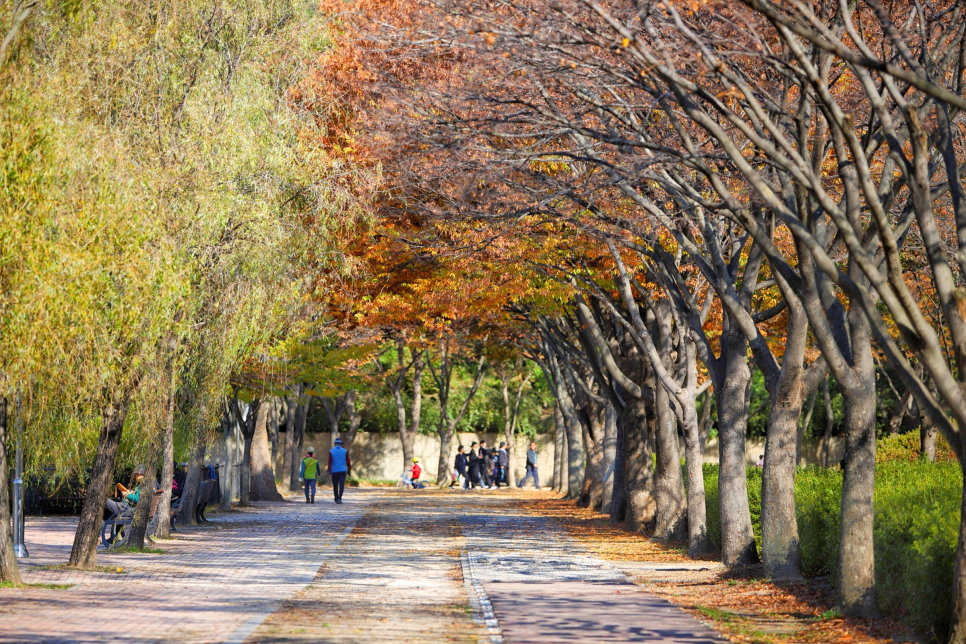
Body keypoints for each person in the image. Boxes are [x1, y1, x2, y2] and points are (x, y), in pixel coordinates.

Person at [328, 438, 351, 504]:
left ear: (335, 443)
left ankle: (336, 498)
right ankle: (339, 497)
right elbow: (348, 461)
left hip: (334, 470)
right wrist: (349, 469)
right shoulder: (345, 451)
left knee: (335, 485)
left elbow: (330, 462)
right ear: (341, 444)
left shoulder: (331, 451)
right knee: (341, 484)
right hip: (343, 470)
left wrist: (329, 470)